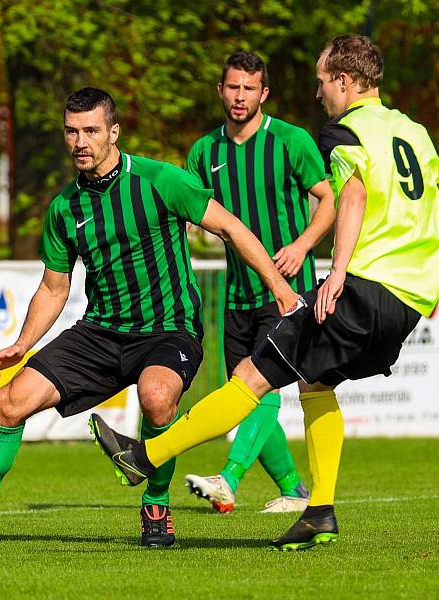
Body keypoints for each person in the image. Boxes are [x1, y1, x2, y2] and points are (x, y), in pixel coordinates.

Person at [90, 34, 439, 551]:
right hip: (411, 298)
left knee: (251, 376)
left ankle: (143, 457)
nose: (318, 94)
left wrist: (336, 272)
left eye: (323, 82)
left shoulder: (344, 131)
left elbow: (349, 196)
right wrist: (414, 256)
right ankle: (320, 511)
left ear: (345, 82)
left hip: (362, 286)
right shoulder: (413, 131)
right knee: (316, 384)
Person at [0, 87, 299, 549]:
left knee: (157, 396)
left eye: (91, 131)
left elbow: (232, 227)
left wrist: (279, 288)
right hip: (101, 332)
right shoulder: (65, 208)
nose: (80, 141)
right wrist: (23, 343)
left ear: (113, 132)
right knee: (6, 403)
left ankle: (156, 506)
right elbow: (53, 287)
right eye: (72, 131)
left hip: (169, 328)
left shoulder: (160, 180)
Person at [182, 52, 336, 514]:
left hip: (288, 291)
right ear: (220, 91)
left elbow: (329, 199)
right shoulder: (203, 152)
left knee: (259, 384)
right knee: (242, 389)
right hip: (237, 293)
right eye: (233, 87)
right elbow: (188, 212)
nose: (240, 96)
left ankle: (228, 478)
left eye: (249, 88)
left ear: (263, 93)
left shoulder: (291, 141)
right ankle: (294, 488)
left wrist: (303, 245)